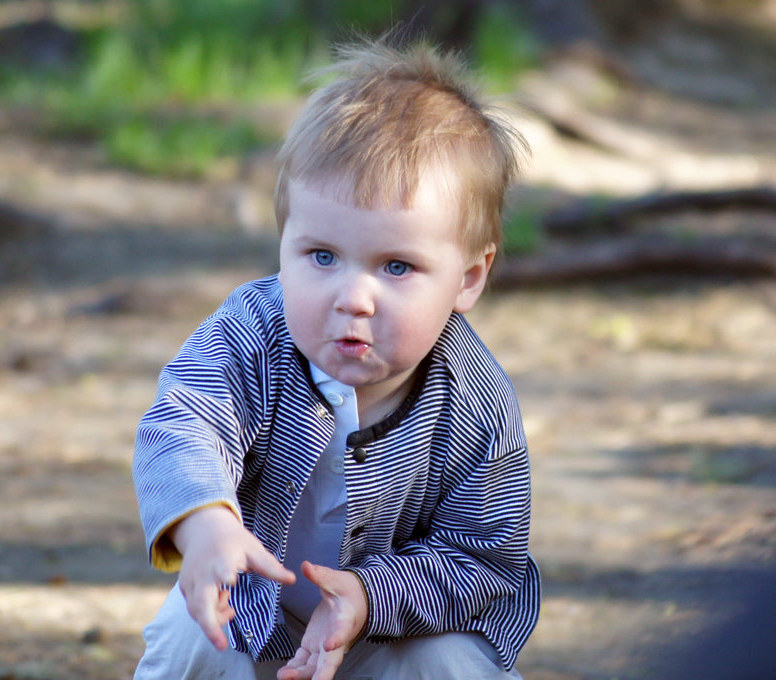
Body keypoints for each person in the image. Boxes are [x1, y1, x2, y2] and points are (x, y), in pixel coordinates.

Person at [132, 38, 540, 680]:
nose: (353, 298)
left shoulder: (474, 399)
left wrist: (372, 596)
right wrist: (205, 522)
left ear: (467, 278)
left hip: (392, 635)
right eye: (321, 256)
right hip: (251, 615)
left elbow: (484, 558)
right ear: (284, 242)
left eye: (397, 266)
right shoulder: (251, 335)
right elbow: (184, 423)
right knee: (192, 640)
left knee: (454, 665)